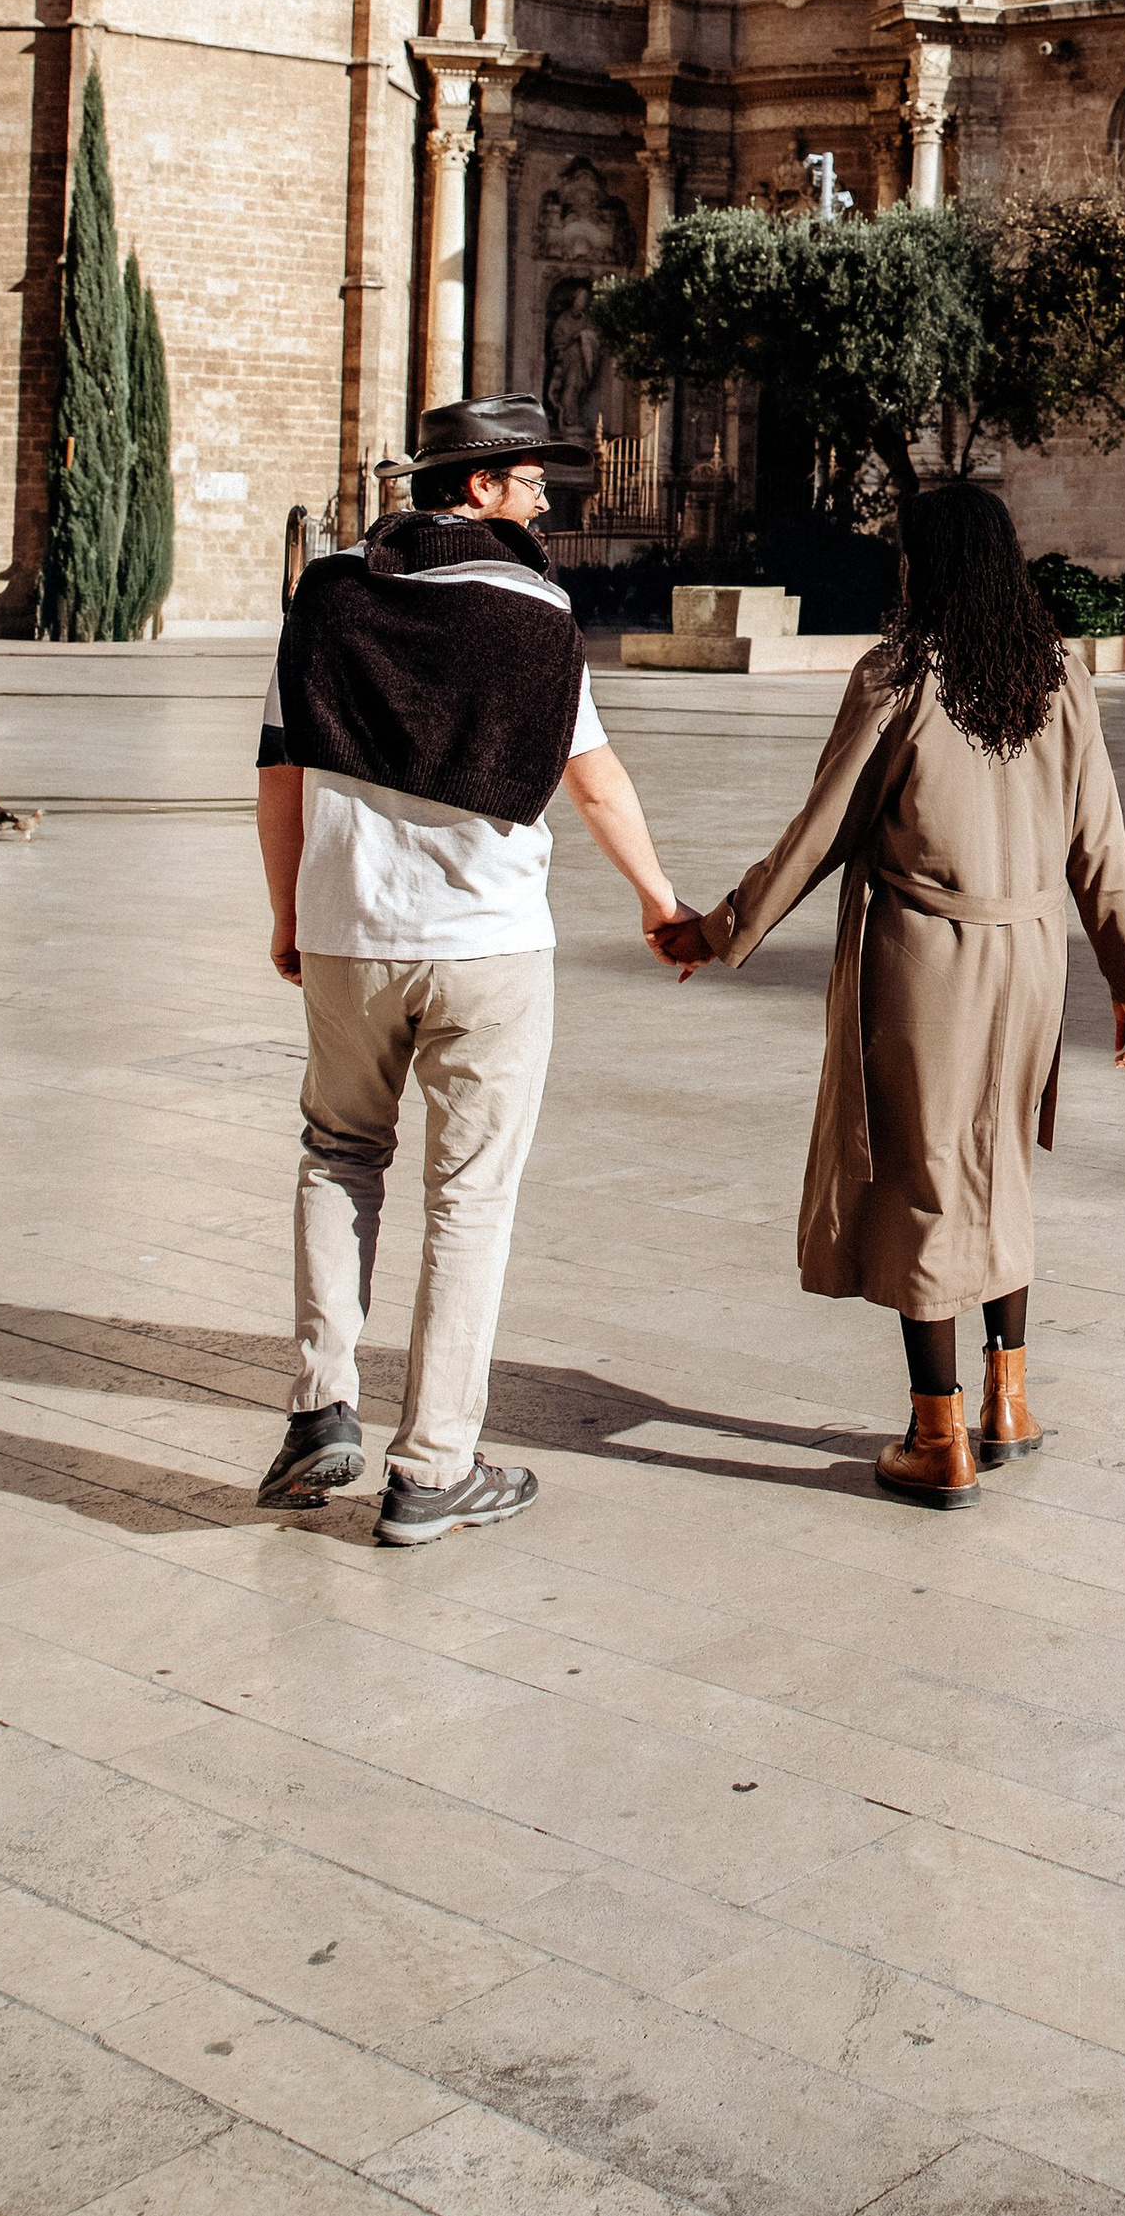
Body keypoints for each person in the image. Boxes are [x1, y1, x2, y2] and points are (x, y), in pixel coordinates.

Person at [654, 486, 1125, 1511]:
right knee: (998, 1167)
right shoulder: (1058, 673)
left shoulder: (900, 674)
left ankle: (939, 1436)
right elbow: (1096, 840)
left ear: (926, 565)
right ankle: (1008, 1405)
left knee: (924, 1176)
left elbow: (819, 830)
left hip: (925, 955)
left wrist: (717, 930)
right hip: (1030, 956)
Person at [253, 395, 694, 1546]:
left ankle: (319, 1411)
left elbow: (281, 777)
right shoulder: (540, 610)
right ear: (481, 488)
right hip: (487, 945)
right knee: (469, 1198)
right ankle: (434, 1466)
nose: (551, 498)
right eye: (535, 480)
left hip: (349, 928)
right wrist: (659, 899)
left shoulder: (329, 595)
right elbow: (590, 779)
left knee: (337, 1152)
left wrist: (287, 913)